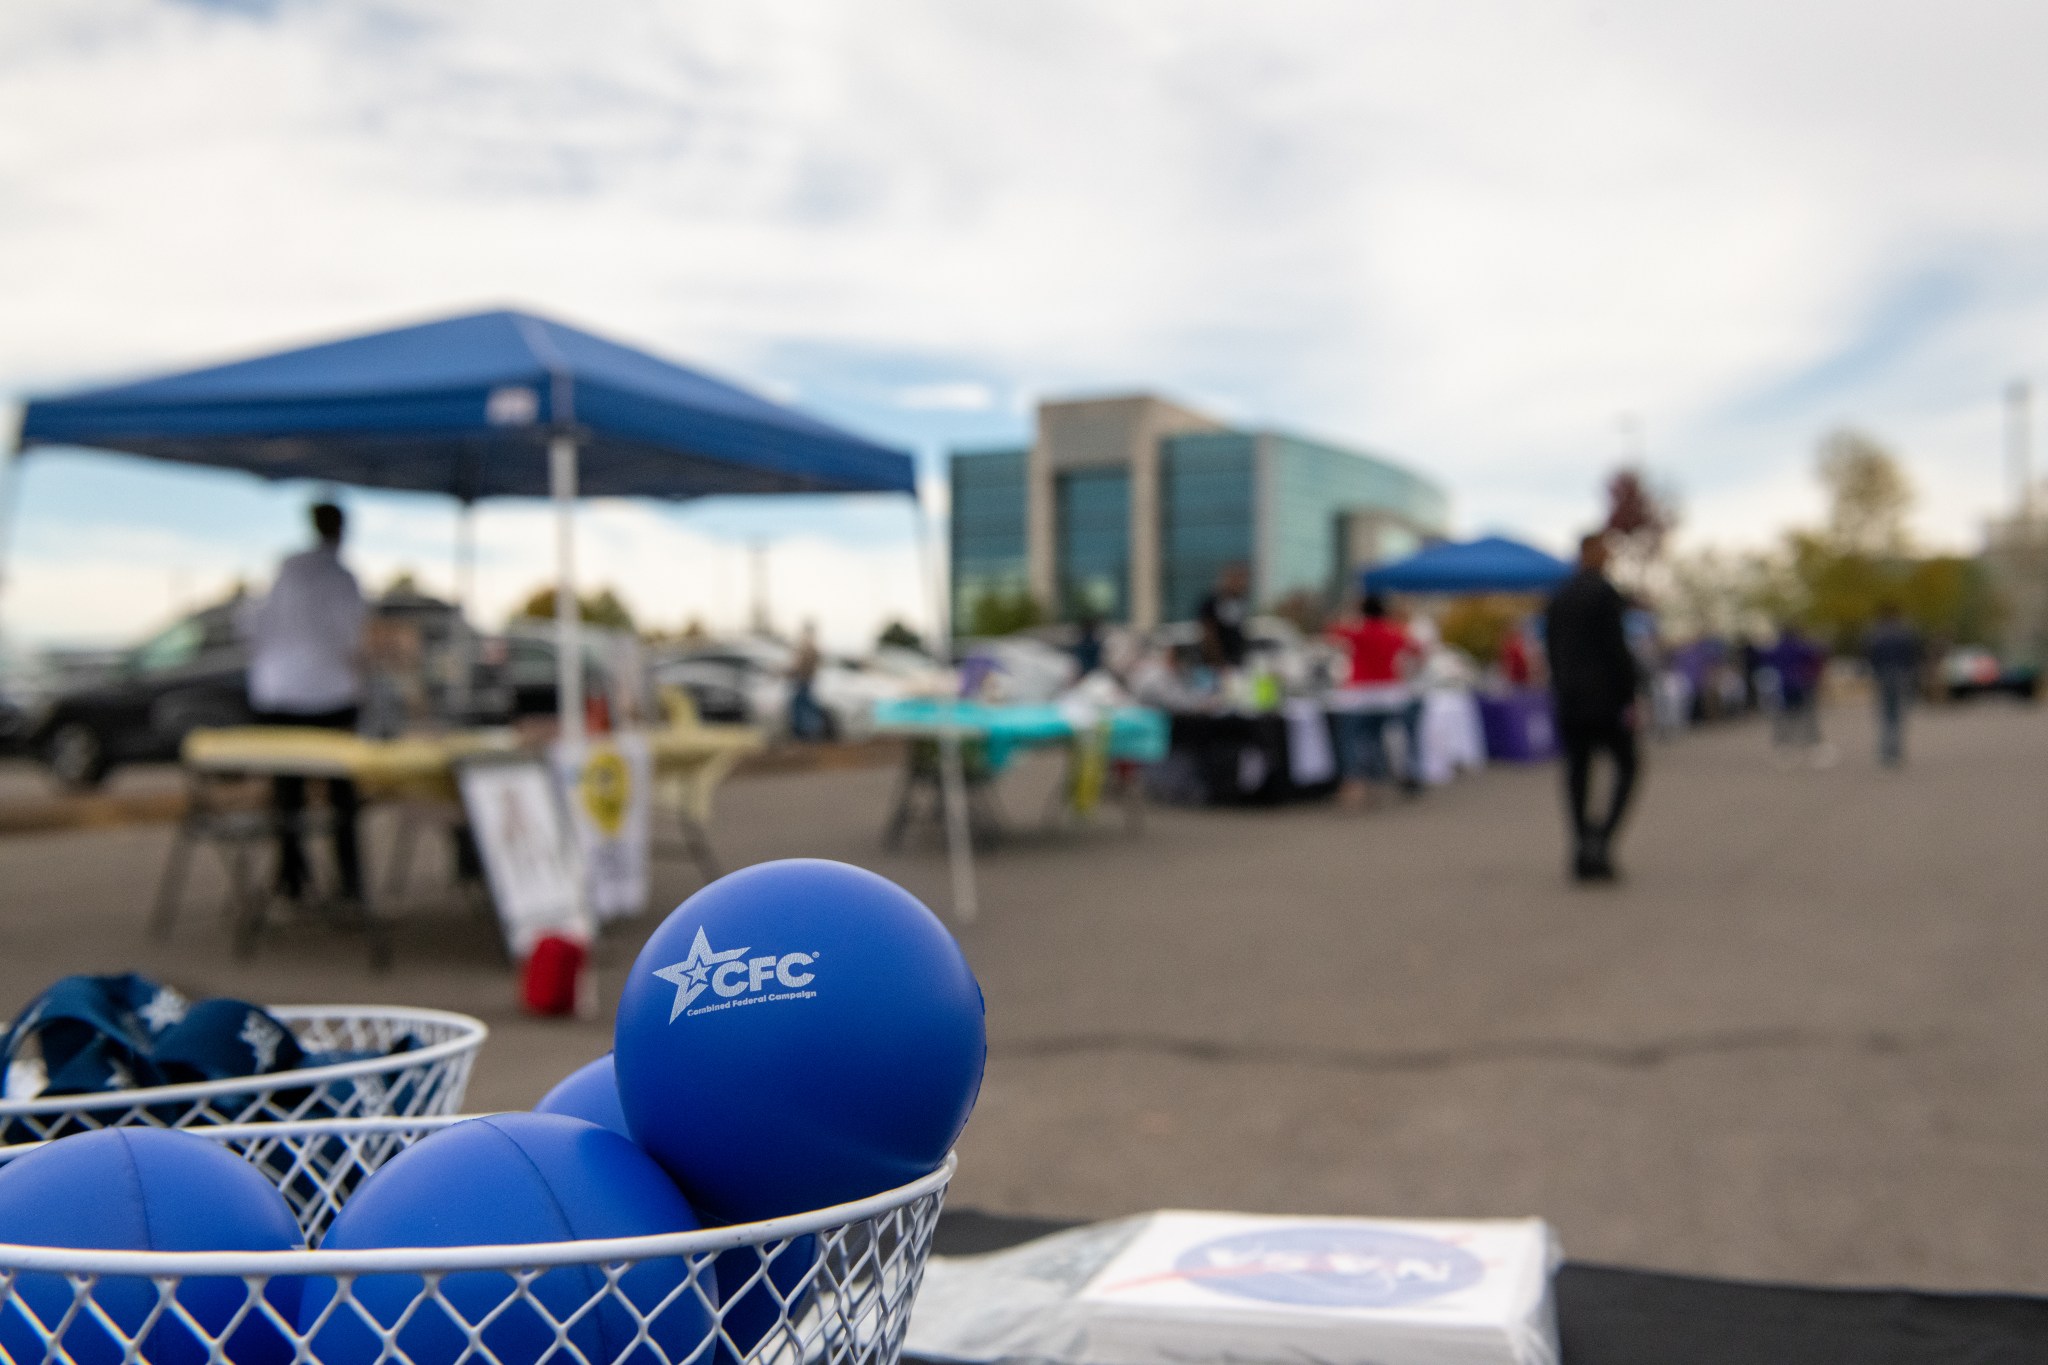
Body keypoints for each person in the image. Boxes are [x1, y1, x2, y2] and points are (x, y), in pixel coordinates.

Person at [248, 502, 368, 905]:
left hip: (277, 694)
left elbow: (255, 624)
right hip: (329, 695)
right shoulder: (340, 577)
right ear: (340, 527)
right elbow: (353, 639)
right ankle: (349, 884)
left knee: (288, 796)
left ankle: (293, 878)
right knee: (340, 798)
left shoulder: (287, 568)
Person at [1543, 533, 1641, 882]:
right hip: (1604, 699)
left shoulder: (1559, 596)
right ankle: (1599, 839)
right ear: (1591, 552)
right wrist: (1630, 695)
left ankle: (1582, 843)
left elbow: (1551, 651)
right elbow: (1616, 649)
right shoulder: (1604, 593)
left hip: (1569, 699)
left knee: (1577, 772)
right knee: (1627, 765)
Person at [1326, 593, 1421, 805]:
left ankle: (1354, 783)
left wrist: (1349, 612)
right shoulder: (1394, 632)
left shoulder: (1358, 632)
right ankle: (1376, 780)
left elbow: (1331, 631)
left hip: (1359, 695)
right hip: (1389, 695)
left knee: (1349, 739)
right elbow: (1418, 650)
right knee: (1376, 738)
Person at [1864, 603, 1923, 767]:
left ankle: (1885, 753)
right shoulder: (1905, 633)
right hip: (1902, 676)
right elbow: (1914, 654)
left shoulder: (1877, 635)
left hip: (1883, 675)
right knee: (1897, 716)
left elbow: (1870, 655)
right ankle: (1895, 752)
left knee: (1885, 715)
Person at [1769, 623, 1828, 762]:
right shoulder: (1801, 647)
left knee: (1785, 717)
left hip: (1784, 686)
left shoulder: (1778, 648)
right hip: (1802, 684)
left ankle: (1785, 747)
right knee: (1806, 716)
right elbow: (1817, 655)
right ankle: (1810, 745)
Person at [1196, 562, 1251, 671]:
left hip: (1235, 661)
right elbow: (1209, 633)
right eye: (1237, 579)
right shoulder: (1211, 602)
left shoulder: (1240, 601)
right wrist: (1218, 661)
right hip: (1215, 664)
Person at [787, 623, 827, 740]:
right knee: (805, 706)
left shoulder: (809, 649)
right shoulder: (811, 648)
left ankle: (806, 734)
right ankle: (809, 733)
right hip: (806, 682)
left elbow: (800, 666)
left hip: (804, 682)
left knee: (802, 707)